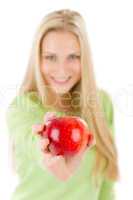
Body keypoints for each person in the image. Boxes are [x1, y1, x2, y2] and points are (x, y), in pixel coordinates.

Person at [6, 9, 119, 200]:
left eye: (73, 57)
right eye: (50, 57)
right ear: (38, 59)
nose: (61, 70)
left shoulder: (101, 103)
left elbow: (106, 184)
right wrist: (47, 152)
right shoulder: (21, 107)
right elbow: (31, 141)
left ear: (84, 59)